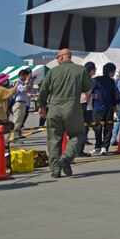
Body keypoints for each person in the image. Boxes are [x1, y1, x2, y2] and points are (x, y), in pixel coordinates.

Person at [37, 47, 92, 178]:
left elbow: (43, 90)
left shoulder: (52, 71)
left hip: (54, 107)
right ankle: (66, 158)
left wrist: (42, 106)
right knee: (78, 135)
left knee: (54, 139)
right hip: (72, 107)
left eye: (57, 58)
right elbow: (88, 86)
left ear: (61, 57)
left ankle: (55, 169)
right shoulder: (81, 70)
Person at [91, 63, 120, 155]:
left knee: (97, 128)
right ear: (111, 72)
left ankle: (97, 146)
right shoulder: (112, 81)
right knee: (108, 127)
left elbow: (90, 92)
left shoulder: (95, 80)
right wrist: (115, 105)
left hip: (97, 107)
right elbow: (113, 95)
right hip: (108, 107)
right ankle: (105, 147)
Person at [77, 62, 97, 157]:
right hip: (84, 105)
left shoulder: (80, 77)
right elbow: (85, 91)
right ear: (92, 70)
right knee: (83, 128)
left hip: (82, 105)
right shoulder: (87, 79)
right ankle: (79, 150)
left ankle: (79, 149)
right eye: (95, 69)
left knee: (83, 128)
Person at [9, 68, 33, 139]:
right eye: (26, 76)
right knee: (16, 121)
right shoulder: (17, 82)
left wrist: (31, 82)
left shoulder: (23, 82)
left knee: (20, 122)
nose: (27, 77)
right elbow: (25, 89)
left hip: (23, 103)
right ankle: (12, 137)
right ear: (21, 75)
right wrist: (27, 81)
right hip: (18, 103)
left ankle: (16, 136)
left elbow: (30, 89)